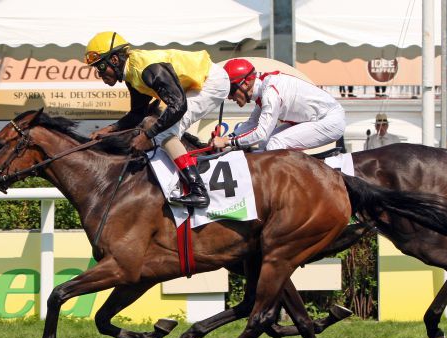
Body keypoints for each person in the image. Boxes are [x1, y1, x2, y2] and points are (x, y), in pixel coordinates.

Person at [84, 31, 229, 208]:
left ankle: (198, 190)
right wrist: (109, 129)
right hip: (198, 85)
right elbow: (138, 113)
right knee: (158, 130)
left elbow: (178, 106)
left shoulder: (146, 69)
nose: (99, 75)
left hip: (212, 82)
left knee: (165, 132)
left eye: (99, 67)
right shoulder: (131, 73)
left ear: (114, 60)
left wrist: (146, 137)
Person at [211, 58, 345, 153]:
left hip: (330, 120)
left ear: (245, 84)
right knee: (266, 144)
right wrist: (226, 138)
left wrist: (228, 142)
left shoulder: (270, 93)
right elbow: (252, 123)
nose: (229, 97)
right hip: (316, 118)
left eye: (231, 91)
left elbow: (261, 134)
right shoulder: (263, 89)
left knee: (274, 143)